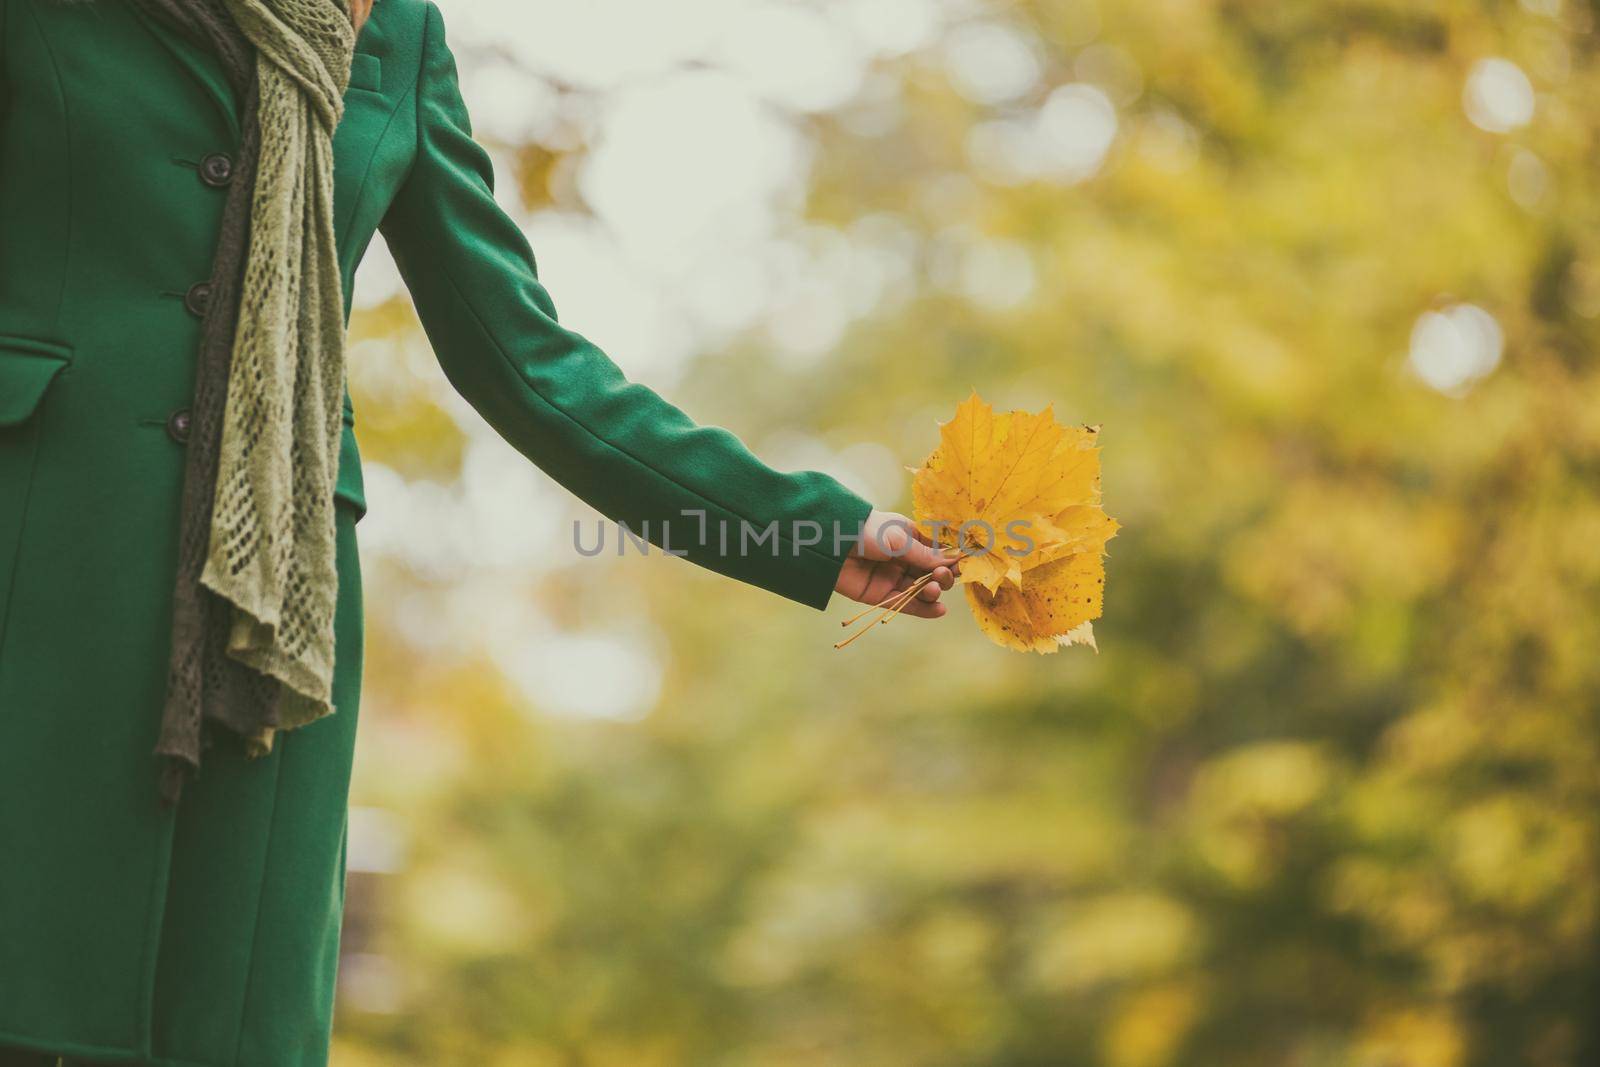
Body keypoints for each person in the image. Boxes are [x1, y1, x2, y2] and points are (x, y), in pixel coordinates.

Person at [0, 1, 957, 1063]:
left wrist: (807, 531)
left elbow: (526, 362)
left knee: (229, 1031)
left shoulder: (392, 31)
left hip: (272, 632)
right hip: (36, 565)